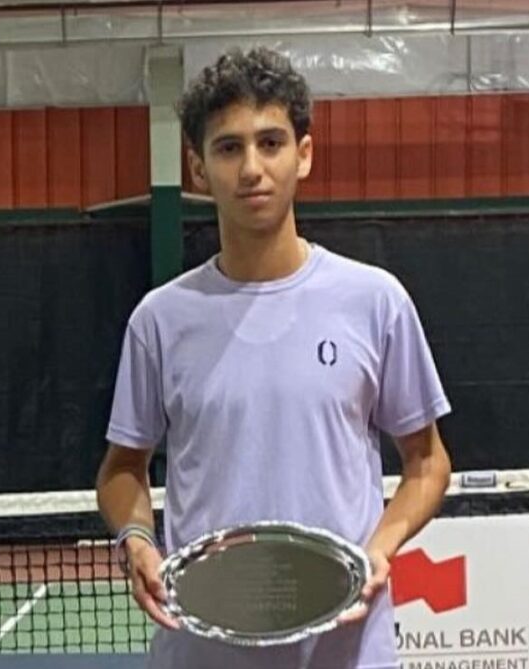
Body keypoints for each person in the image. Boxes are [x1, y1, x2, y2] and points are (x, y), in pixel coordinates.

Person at [94, 46, 451, 668]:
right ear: (198, 169)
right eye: (228, 147)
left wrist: (381, 547)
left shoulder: (375, 301)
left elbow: (427, 463)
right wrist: (138, 541)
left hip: (348, 650)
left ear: (304, 154)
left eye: (271, 142)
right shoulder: (160, 320)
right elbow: (123, 468)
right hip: (201, 650)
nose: (252, 168)